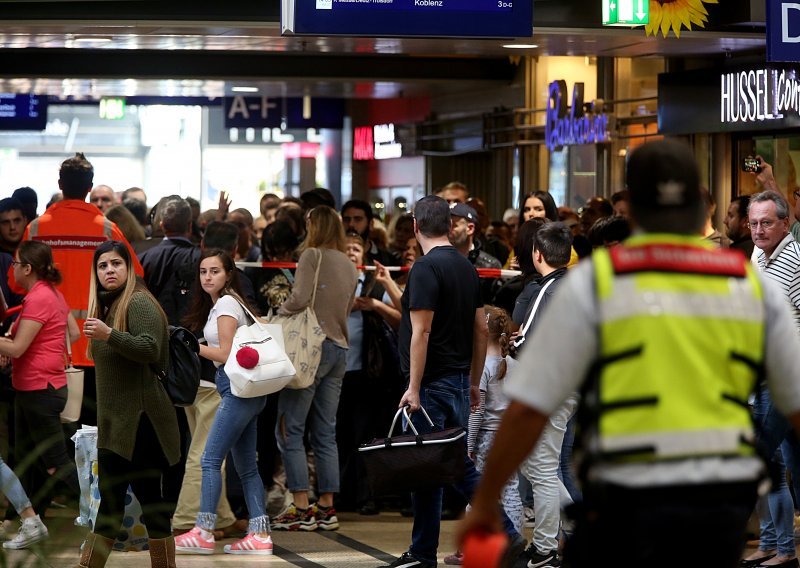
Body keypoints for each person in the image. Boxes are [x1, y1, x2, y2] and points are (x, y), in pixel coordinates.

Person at [458, 139, 800, 568]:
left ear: (632, 210)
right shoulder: (754, 286)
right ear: (700, 205)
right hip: (716, 504)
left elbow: (529, 406)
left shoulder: (594, 285)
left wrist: (486, 498)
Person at [381, 195, 524, 568]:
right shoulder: (465, 267)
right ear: (448, 225)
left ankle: (506, 533)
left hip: (431, 383)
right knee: (428, 467)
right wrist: (474, 381)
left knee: (453, 466)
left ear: (415, 227)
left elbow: (421, 331)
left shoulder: (426, 269)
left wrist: (413, 386)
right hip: (459, 380)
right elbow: (480, 328)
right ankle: (423, 551)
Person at [15, 152, 143, 428]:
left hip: (45, 348)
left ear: (60, 184)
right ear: (89, 187)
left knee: (50, 436)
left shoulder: (35, 229)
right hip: (97, 345)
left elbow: (15, 281)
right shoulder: (108, 230)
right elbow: (136, 278)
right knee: (92, 430)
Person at [77, 240, 179, 568]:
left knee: (150, 505)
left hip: (141, 423)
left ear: (129, 268)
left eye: (116, 264)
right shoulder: (109, 305)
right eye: (103, 265)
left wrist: (110, 335)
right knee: (111, 505)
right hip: (118, 424)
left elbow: (150, 349)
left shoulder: (137, 302)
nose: (109, 270)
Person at [174, 248, 273, 555]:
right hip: (248, 390)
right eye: (203, 272)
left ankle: (203, 530)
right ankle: (260, 534)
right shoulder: (229, 302)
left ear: (229, 274)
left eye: (214, 271)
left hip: (235, 388)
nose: (207, 277)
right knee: (246, 467)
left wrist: (192, 347)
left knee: (209, 459)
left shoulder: (227, 304)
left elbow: (226, 354)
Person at [272, 205, 358, 532]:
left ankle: (300, 507)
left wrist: (278, 310)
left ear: (314, 225)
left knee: (289, 428)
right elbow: (347, 306)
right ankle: (327, 507)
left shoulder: (311, 256)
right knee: (325, 432)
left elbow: (299, 297)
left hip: (311, 349)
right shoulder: (350, 264)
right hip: (339, 348)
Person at [0, 241, 80, 546]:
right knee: (29, 460)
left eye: (15, 265)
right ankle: (31, 522)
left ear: (27, 269)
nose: (12, 270)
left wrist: (14, 346)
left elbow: (19, 347)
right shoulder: (50, 294)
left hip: (39, 389)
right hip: (36, 387)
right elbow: (70, 332)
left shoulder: (39, 298)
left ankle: (106, 515)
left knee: (54, 462)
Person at [741, 190, 800, 568]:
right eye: (753, 223)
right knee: (776, 468)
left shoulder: (795, 260)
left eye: (766, 222)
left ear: (785, 221)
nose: (759, 230)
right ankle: (776, 546)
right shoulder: (757, 256)